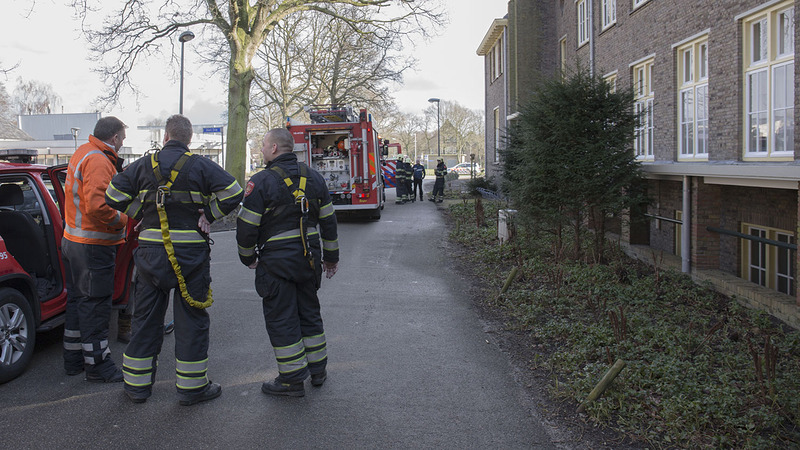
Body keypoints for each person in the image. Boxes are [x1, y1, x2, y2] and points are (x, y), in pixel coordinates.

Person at [105, 114, 243, 405]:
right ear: (189, 139)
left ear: (166, 137)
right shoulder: (200, 164)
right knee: (191, 318)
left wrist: (140, 213)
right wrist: (210, 215)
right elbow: (234, 192)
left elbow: (112, 194)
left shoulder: (143, 164)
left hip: (150, 256)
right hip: (190, 256)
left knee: (145, 319)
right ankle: (192, 389)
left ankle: (136, 387)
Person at [236, 128, 339, 397]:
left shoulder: (261, 182)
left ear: (273, 149)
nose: (260, 150)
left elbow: (246, 227)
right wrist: (331, 258)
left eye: (262, 146)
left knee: (282, 319)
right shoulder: (315, 178)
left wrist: (248, 257)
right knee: (309, 313)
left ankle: (291, 380)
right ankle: (318, 371)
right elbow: (328, 221)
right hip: (309, 261)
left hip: (276, 264)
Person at [62, 116, 129, 383]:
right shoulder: (100, 160)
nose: (123, 144)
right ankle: (98, 366)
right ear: (114, 138)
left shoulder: (82, 152)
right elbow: (99, 207)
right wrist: (123, 220)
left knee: (78, 302)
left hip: (74, 242)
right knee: (96, 306)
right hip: (93, 245)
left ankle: (73, 360)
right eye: (122, 139)